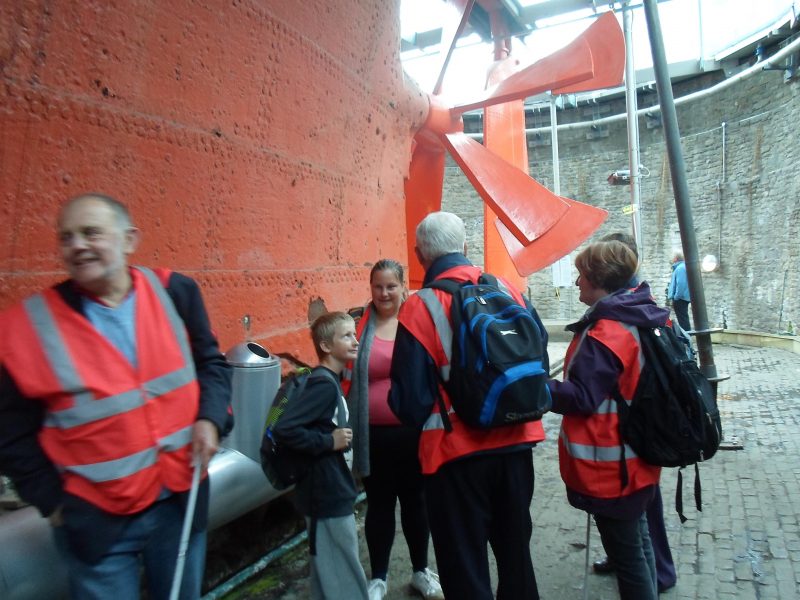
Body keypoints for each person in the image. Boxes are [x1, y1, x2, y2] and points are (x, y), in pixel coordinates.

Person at [0, 193, 232, 599]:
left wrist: (211, 419)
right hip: (94, 521)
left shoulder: (175, 292)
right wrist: (48, 499)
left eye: (91, 233)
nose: (77, 246)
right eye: (66, 237)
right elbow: (8, 426)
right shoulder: (28, 326)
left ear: (129, 240)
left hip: (180, 500)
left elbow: (211, 365)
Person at [388, 211, 547, 600]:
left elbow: (410, 402)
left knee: (464, 567)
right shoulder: (508, 290)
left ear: (419, 254)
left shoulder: (419, 306)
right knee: (516, 558)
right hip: (516, 444)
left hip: (454, 456)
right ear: (465, 246)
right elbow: (538, 352)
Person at [548, 240, 669, 600]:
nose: (577, 283)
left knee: (628, 556)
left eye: (581, 276)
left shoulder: (608, 332)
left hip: (612, 469)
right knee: (640, 543)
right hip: (638, 459)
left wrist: (537, 387)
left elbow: (582, 398)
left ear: (599, 278)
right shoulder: (640, 316)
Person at [342, 259, 443, 600]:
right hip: (372, 434)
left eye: (391, 286)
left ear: (403, 287)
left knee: (416, 502)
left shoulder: (418, 320)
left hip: (413, 431)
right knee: (380, 504)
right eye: (378, 286)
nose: (384, 293)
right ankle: (379, 577)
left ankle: (420, 571)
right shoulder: (356, 325)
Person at [593, 233, 677, 594]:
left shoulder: (629, 314)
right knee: (638, 517)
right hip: (642, 430)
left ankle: (658, 572)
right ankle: (642, 567)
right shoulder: (641, 306)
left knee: (645, 513)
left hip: (638, 434)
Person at [272, 311, 369, 600]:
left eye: (355, 334)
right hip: (325, 493)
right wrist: (329, 441)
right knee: (342, 574)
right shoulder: (324, 385)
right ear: (326, 346)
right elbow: (285, 430)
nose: (355, 340)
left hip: (329, 490)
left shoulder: (327, 381)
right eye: (347, 336)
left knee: (329, 573)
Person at [668, 251, 692, 332]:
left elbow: (681, 284)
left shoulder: (680, 268)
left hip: (680, 298)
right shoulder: (683, 267)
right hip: (683, 297)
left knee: (683, 319)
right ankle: (687, 335)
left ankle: (687, 336)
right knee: (683, 318)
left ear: (675, 258)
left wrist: (676, 297)